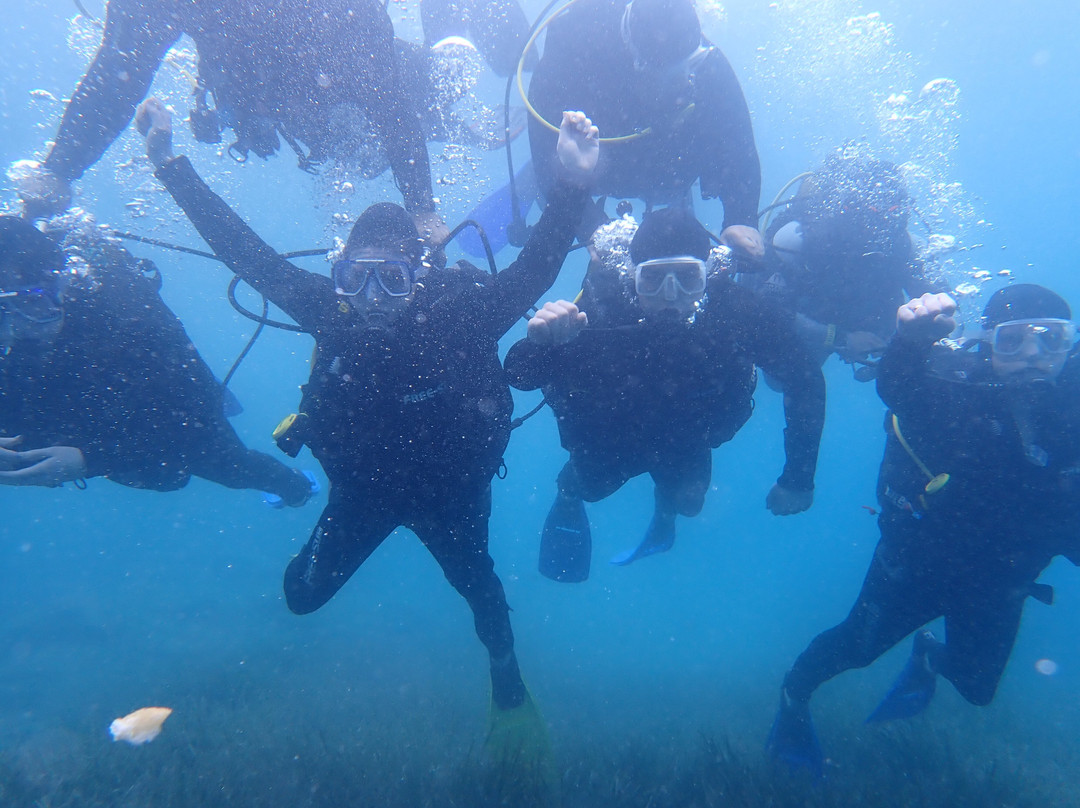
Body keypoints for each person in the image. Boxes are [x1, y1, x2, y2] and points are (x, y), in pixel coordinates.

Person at [136, 97, 598, 752]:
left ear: (421, 276)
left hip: (452, 496)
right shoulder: (330, 311)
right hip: (363, 495)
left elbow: (538, 266)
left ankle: (509, 684)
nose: (371, 300)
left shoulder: (461, 313)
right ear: (340, 273)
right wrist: (168, 163)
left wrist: (574, 182)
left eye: (393, 281)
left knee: (485, 601)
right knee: (299, 597)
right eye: (357, 279)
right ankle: (297, 498)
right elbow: (245, 252)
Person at [767, 286, 1080, 777]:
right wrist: (909, 342)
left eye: (1051, 340)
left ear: (1072, 346)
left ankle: (930, 654)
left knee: (978, 692)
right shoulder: (956, 392)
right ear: (987, 343)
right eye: (1013, 341)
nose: (1034, 356)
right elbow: (901, 388)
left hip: (1003, 584)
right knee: (855, 649)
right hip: (916, 566)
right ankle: (794, 696)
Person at [503, 207, 824, 581]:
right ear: (631, 277)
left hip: (687, 433)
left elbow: (805, 379)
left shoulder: (735, 310)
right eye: (652, 279)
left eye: (689, 277)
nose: (671, 296)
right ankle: (568, 496)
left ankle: (665, 511)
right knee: (588, 488)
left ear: (709, 274)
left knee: (691, 502)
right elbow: (519, 374)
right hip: (611, 435)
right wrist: (541, 342)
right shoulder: (604, 310)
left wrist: (798, 477)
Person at [13, 0, 443, 239]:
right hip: (257, 94)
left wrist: (422, 210)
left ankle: (448, 100)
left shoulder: (352, 16)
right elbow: (119, 73)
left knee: (380, 121)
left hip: (332, 84)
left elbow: (390, 103)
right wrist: (54, 177)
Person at [0, 213, 315, 504]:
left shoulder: (129, 312)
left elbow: (193, 417)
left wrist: (91, 459)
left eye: (33, 306)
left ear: (64, 285)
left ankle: (297, 487)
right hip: (84, 406)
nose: (16, 331)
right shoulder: (17, 341)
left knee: (228, 467)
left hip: (163, 404)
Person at [524, 0, 763, 257]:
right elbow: (544, 155)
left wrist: (741, 218)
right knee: (559, 168)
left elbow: (739, 146)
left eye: (691, 66)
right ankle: (535, 179)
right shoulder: (571, 57)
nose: (683, 82)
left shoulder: (705, 61)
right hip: (597, 165)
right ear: (633, 58)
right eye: (668, 75)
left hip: (665, 169)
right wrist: (592, 228)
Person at [743, 148, 940, 381]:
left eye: (896, 214)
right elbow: (765, 305)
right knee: (780, 380)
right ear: (855, 211)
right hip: (812, 321)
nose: (883, 230)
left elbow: (938, 300)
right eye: (875, 216)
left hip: (867, 326)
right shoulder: (807, 238)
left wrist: (928, 330)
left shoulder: (902, 245)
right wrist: (839, 338)